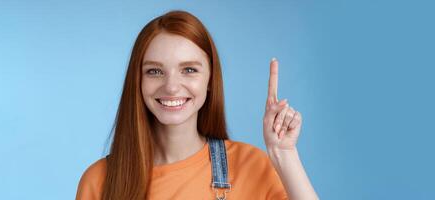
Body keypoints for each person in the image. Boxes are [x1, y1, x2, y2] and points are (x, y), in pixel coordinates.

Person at [76, 10, 318, 200]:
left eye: (189, 69)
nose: (171, 86)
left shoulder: (251, 166)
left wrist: (284, 154)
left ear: (210, 80)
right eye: (155, 71)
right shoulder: (99, 180)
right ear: (137, 81)